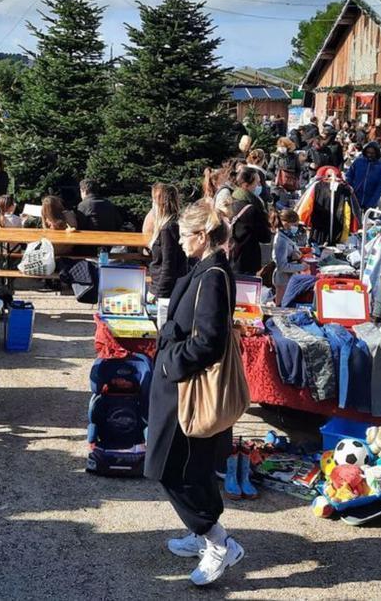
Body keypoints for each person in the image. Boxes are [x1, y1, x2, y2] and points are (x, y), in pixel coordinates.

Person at [146, 200, 243, 587]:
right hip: (181, 385)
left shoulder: (213, 275)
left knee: (174, 469)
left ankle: (219, 542)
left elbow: (209, 342)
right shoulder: (206, 269)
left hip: (187, 389)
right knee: (190, 466)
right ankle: (202, 533)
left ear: (202, 236)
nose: (181, 242)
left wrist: (170, 363)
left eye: (186, 235)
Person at [147, 183, 186, 326]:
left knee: (163, 328)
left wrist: (158, 292)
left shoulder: (167, 229)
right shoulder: (173, 224)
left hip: (166, 290)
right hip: (169, 286)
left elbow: (168, 265)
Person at [228, 168, 271, 275]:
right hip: (247, 260)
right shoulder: (251, 209)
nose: (259, 185)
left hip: (232, 257)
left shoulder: (231, 200)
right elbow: (265, 237)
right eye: (257, 182)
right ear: (246, 185)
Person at [271, 209, 305, 305]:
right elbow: (282, 266)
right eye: (295, 224)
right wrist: (303, 267)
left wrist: (295, 256)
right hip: (283, 280)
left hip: (287, 279)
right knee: (282, 306)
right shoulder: (281, 240)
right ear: (287, 223)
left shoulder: (285, 236)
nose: (296, 227)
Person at [345, 141, 381, 210]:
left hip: (369, 202)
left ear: (377, 153)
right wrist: (349, 188)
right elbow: (349, 174)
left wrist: (371, 203)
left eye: (372, 153)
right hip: (354, 198)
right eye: (368, 153)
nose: (369, 155)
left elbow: (380, 186)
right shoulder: (358, 162)